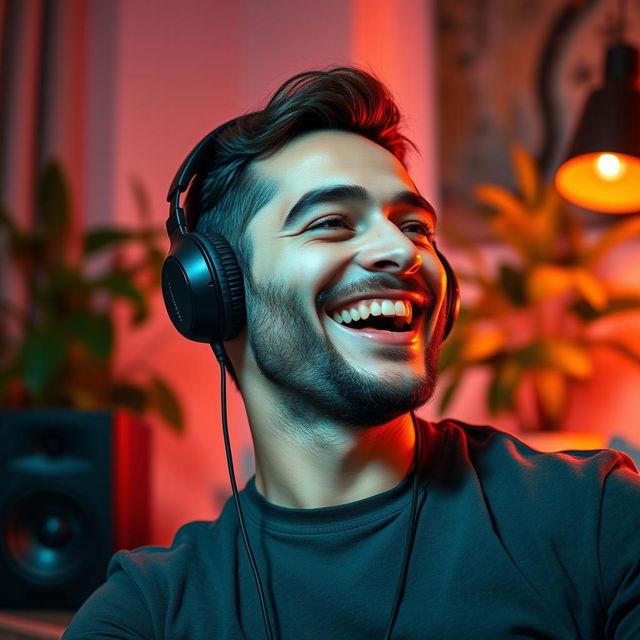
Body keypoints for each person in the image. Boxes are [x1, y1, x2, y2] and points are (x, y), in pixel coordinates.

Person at [63, 67, 640, 639]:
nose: (402, 250)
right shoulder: (148, 610)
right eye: (333, 222)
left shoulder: (596, 517)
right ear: (216, 291)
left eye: (415, 227)